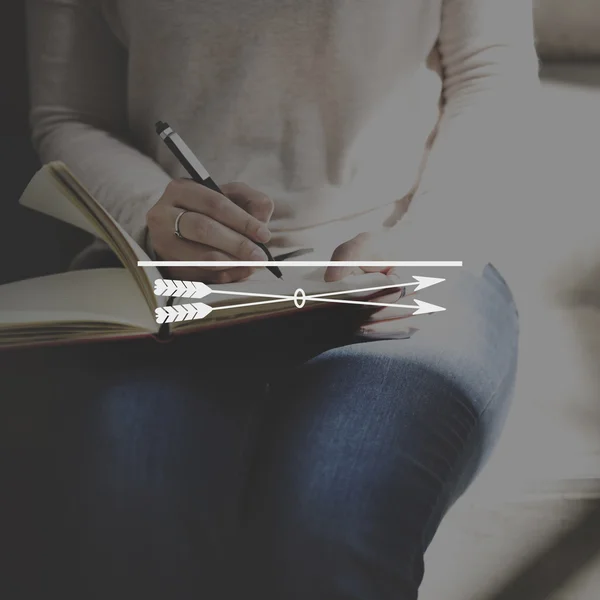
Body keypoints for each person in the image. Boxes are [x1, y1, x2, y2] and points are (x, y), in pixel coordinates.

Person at [14, 0, 537, 598]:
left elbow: (491, 70)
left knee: (330, 522)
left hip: (400, 259)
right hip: (170, 279)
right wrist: (154, 211)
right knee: (135, 498)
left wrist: (426, 240)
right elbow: (70, 113)